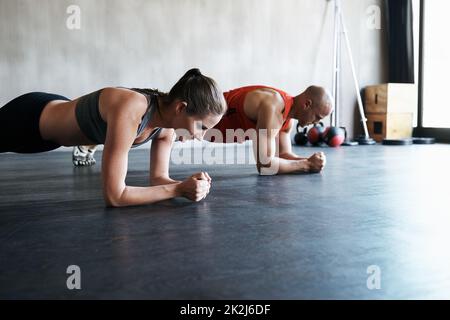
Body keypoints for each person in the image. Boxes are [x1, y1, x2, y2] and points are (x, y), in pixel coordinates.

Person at [0, 68, 227, 207]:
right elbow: (115, 196)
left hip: (47, 140)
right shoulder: (133, 107)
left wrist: (188, 186)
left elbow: (158, 180)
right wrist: (178, 190)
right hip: (30, 118)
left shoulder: (166, 129)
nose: (201, 136)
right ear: (180, 108)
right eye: (201, 126)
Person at [206, 85, 333, 175]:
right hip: (199, 115)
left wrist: (309, 161)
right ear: (307, 104)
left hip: (206, 128)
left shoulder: (287, 119)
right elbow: (265, 166)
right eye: (317, 117)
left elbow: (283, 155)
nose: (316, 123)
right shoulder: (274, 107)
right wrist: (307, 165)